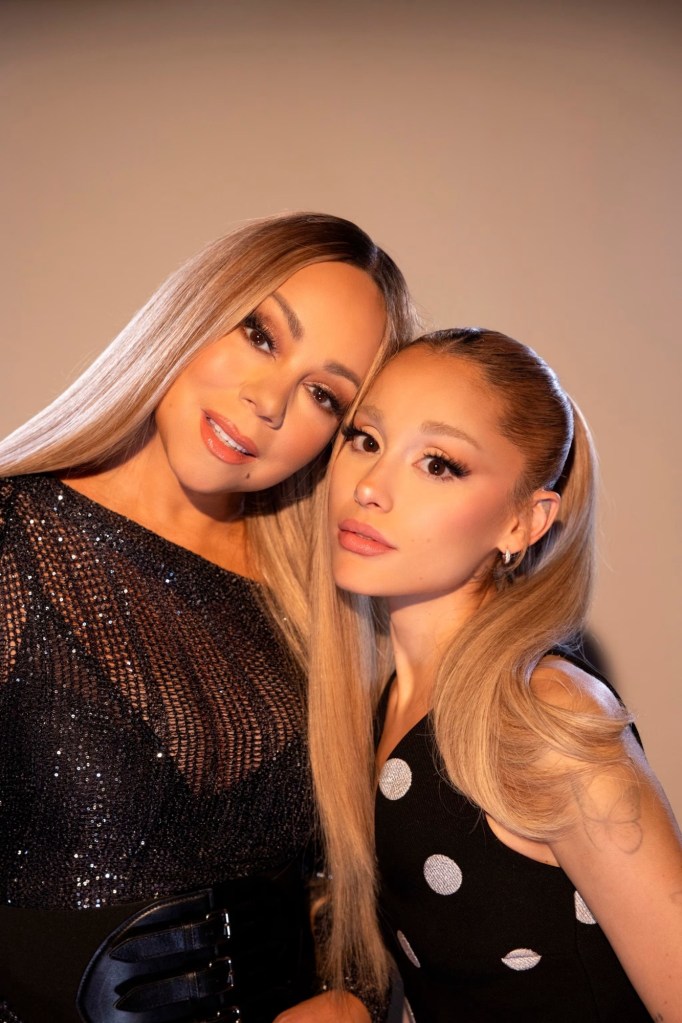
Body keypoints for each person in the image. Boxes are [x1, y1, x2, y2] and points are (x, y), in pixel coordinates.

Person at [0, 211, 419, 1023]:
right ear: (194, 311)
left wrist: (355, 1000)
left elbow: (348, 892)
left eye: (323, 395)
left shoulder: (326, 613)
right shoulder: (15, 538)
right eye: (261, 335)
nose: (268, 401)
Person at [308, 328, 682, 1022]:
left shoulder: (543, 713)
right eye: (366, 439)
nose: (369, 487)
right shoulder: (385, 706)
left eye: (438, 464)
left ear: (523, 522)